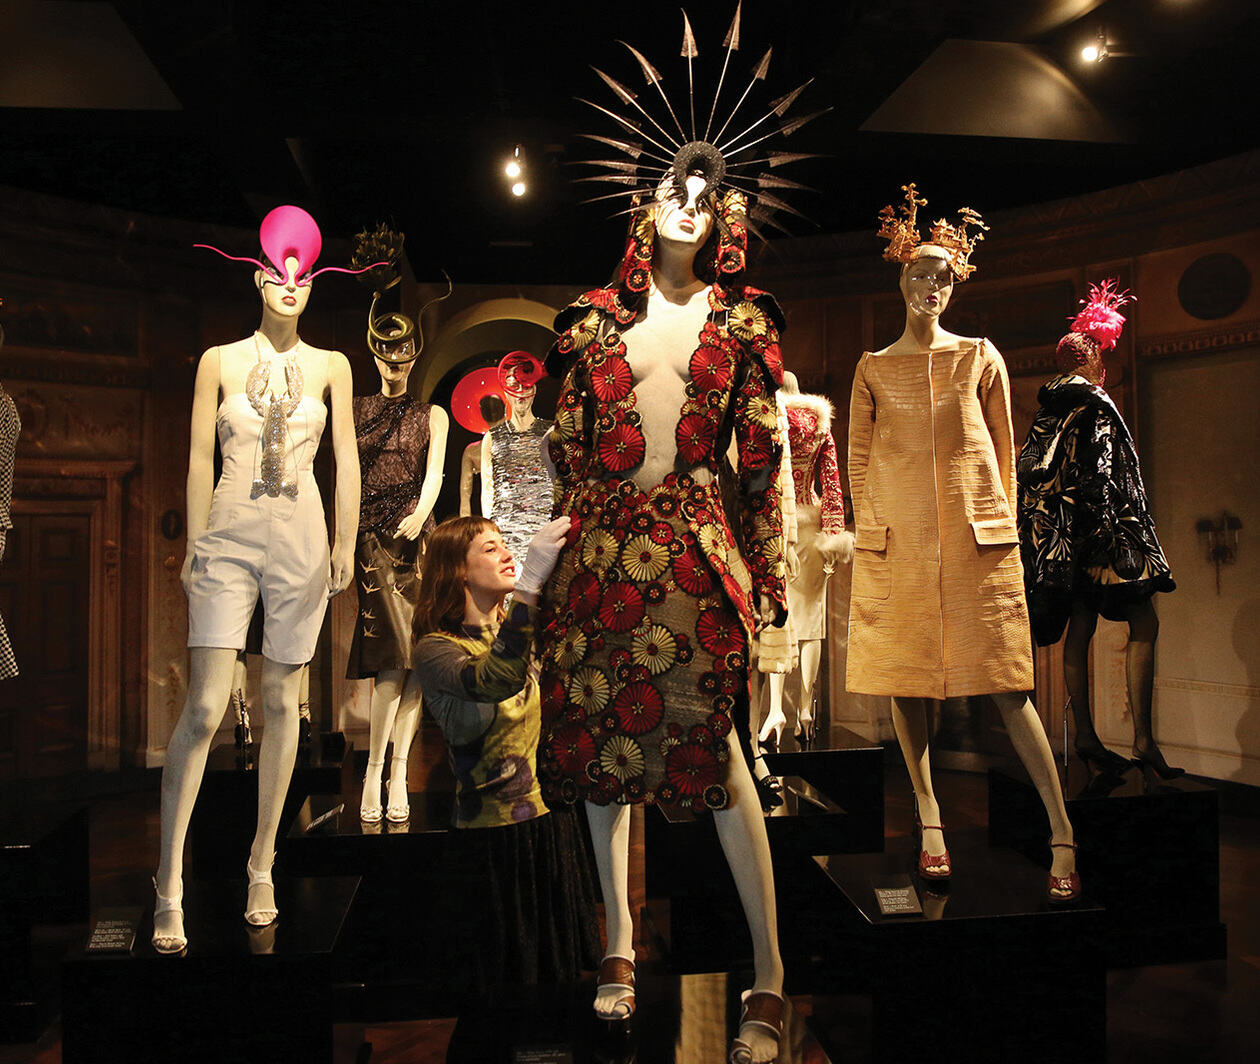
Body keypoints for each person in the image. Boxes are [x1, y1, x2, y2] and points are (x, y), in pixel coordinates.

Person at [847, 184, 1079, 901]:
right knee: (906, 680)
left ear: (956, 284)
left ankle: (1062, 829)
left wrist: (1000, 526)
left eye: (942, 277)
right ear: (900, 283)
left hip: (980, 544)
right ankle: (927, 813)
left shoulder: (981, 357)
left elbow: (1005, 455)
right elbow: (857, 460)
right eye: (918, 276)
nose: (930, 288)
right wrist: (871, 529)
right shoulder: (872, 367)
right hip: (900, 544)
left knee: (1011, 687)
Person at [152, 206, 364, 953]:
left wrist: (344, 542)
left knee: (283, 701)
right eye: (278, 273)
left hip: (302, 532)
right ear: (258, 278)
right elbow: (196, 460)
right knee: (207, 706)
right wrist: (196, 539)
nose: (290, 285)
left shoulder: (334, 365)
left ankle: (262, 862)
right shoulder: (218, 359)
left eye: (302, 276)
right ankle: (169, 876)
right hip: (229, 527)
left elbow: (346, 458)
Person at [411, 514, 599, 993]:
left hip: (550, 825)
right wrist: (530, 583)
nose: (507, 554)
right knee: (501, 996)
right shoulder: (436, 649)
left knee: (559, 990)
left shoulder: (517, 632)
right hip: (491, 841)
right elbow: (495, 680)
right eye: (490, 549)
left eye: (505, 545)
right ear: (457, 570)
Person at [1018, 281, 1179, 777]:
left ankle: (1087, 737)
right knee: (1144, 621)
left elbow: (1032, 475)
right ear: (1093, 366)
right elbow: (1102, 474)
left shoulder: (1048, 409)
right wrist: (1112, 538)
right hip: (1105, 536)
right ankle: (1143, 741)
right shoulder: (1097, 405)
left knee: (1081, 627)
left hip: (1062, 541)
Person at [347, 234, 449, 822]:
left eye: (405, 355)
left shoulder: (429, 413)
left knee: (414, 666)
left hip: (420, 541)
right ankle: (371, 776)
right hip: (372, 545)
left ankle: (397, 775)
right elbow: (347, 478)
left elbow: (434, 473)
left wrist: (417, 517)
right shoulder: (357, 409)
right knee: (392, 659)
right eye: (388, 356)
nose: (397, 364)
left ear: (414, 357)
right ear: (376, 356)